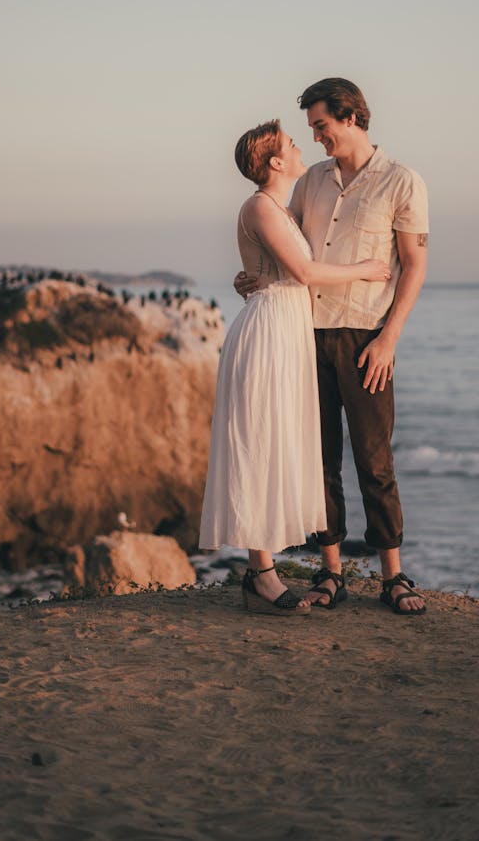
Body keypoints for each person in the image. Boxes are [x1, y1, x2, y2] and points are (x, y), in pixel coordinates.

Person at [236, 78, 429, 615]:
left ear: (350, 117)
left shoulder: (402, 182)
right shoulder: (310, 181)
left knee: (374, 458)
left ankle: (394, 576)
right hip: (303, 336)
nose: (316, 137)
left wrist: (390, 338)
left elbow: (414, 265)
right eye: (311, 129)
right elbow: (287, 246)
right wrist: (250, 275)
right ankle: (332, 572)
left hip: (369, 337)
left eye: (321, 125)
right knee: (318, 460)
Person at [199, 120, 391, 616]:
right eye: (289, 144)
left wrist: (253, 278)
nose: (299, 146)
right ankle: (260, 574)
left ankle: (263, 571)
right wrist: (365, 270)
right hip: (268, 333)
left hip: (286, 330)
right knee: (260, 443)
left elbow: (278, 269)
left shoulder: (280, 210)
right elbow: (304, 273)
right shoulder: (260, 207)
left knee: (276, 442)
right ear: (276, 163)